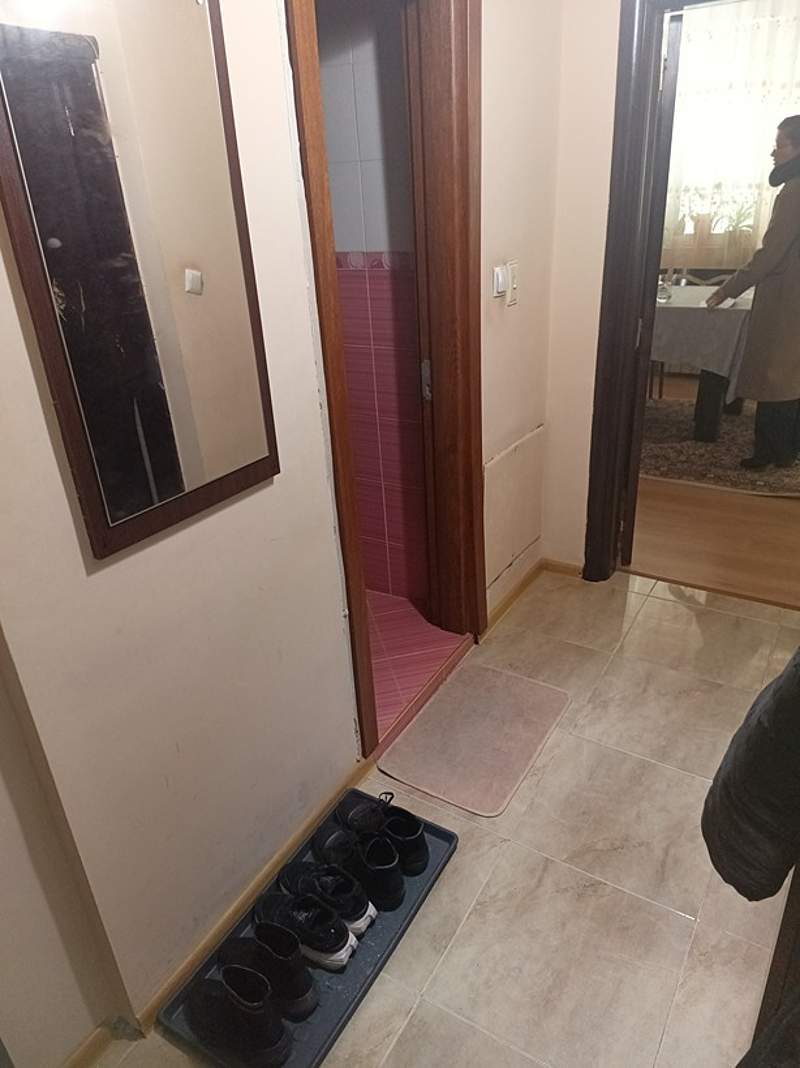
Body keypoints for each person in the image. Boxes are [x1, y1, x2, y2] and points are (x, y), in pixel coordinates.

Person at [707, 116, 800, 469]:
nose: (773, 153)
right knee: (792, 374)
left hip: (787, 297)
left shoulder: (793, 191)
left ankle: (771, 453)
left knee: (775, 376)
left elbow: (770, 253)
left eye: (780, 145)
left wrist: (727, 290)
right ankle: (788, 450)